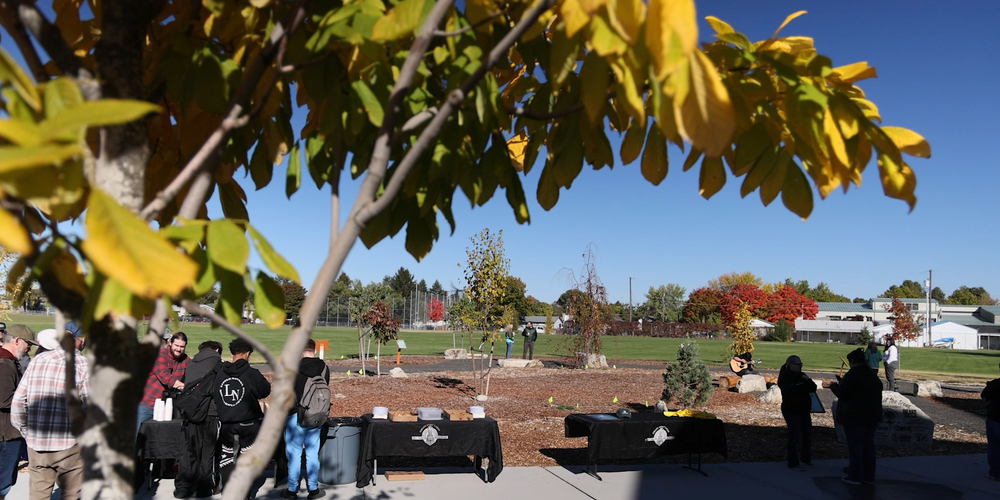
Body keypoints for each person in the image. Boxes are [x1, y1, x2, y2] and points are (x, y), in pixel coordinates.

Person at [11, 328, 89, 500]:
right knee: (70, 495)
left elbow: (18, 402)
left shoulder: (38, 360)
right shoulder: (82, 364)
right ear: (79, 338)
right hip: (69, 443)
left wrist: (26, 431)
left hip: (37, 442)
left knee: (38, 496)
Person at [214, 338, 271, 497]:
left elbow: (215, 394)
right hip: (248, 424)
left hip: (226, 423)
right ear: (247, 354)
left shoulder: (220, 373)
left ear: (232, 353)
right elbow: (264, 391)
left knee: (226, 458)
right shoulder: (251, 373)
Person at [174, 340, 223, 499]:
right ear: (216, 349)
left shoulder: (191, 364)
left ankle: (183, 488)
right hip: (210, 412)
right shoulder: (218, 365)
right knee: (207, 452)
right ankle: (204, 488)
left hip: (190, 413)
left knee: (189, 452)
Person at [281, 340, 329, 499]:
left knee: (294, 453)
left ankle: (292, 488)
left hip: (295, 414)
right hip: (316, 414)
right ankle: (313, 488)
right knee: (312, 453)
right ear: (314, 350)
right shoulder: (324, 368)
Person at [830, 348, 883, 486]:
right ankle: (868, 476)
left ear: (852, 361)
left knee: (855, 447)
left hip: (855, 416)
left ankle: (855, 476)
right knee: (868, 447)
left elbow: (844, 394)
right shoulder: (872, 375)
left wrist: (834, 387)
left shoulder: (852, 374)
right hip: (873, 416)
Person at [0, 325, 35, 496]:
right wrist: (31, 399)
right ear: (17, 340)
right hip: (6, 434)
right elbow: (4, 400)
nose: (29, 348)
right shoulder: (5, 364)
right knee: (3, 483)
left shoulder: (8, 361)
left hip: (7, 433)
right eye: (28, 343)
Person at [138, 332, 190, 432]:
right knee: (139, 435)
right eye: (176, 345)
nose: (179, 349)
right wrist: (187, 386)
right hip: (148, 404)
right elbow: (167, 379)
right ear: (170, 343)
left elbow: (195, 370)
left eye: (182, 347)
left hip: (168, 407)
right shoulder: (159, 356)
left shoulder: (186, 360)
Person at [777, 355, 816, 471]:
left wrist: (804, 383)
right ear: (790, 365)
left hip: (804, 409)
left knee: (807, 434)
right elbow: (790, 390)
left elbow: (812, 387)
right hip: (791, 409)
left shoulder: (802, 376)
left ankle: (805, 458)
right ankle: (793, 462)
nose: (800, 367)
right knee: (794, 435)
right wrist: (802, 385)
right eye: (798, 365)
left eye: (801, 365)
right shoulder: (785, 377)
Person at [982, 362, 1000, 481]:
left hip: (995, 417)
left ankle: (995, 472)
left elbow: (984, 396)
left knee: (995, 446)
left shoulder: (995, 384)